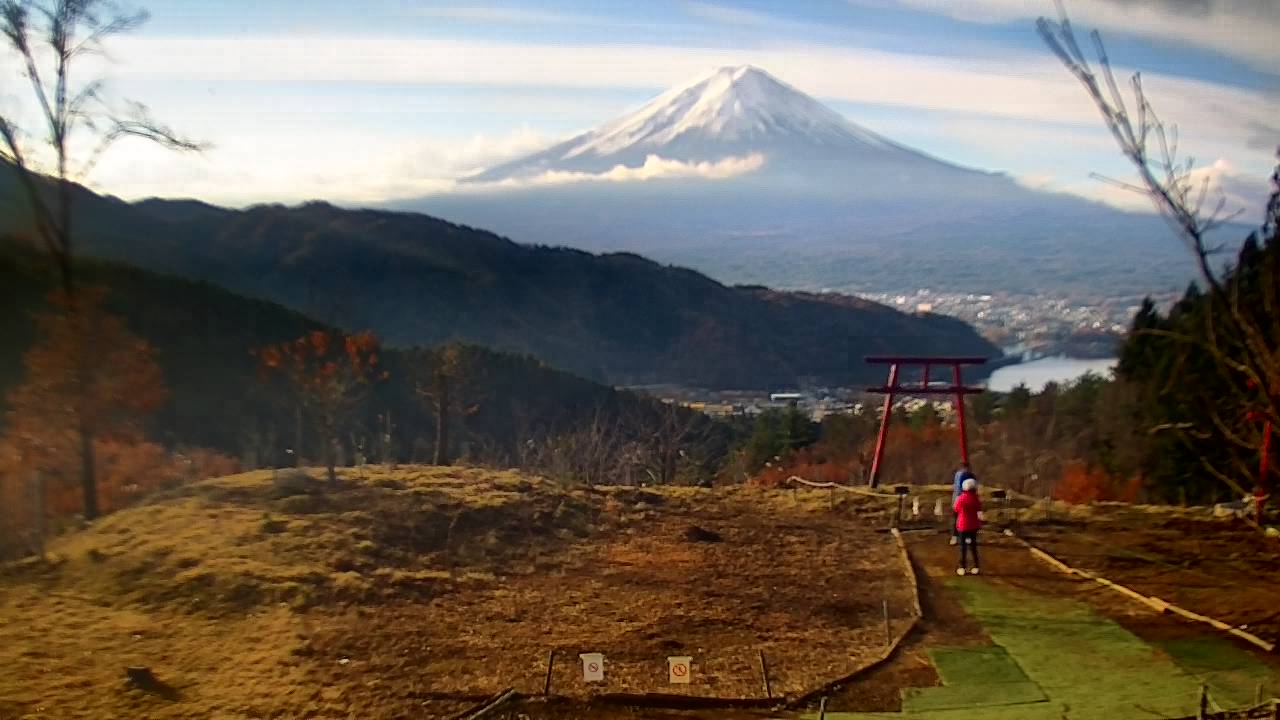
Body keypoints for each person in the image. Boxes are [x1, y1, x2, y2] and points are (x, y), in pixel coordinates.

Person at [953, 477, 982, 575]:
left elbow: (956, 509)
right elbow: (979, 508)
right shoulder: (975, 498)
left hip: (962, 525)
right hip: (973, 525)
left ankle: (962, 567)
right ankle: (976, 566)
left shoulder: (961, 498)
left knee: (963, 547)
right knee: (973, 546)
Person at [949, 463, 974, 545]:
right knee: (964, 518)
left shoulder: (959, 474)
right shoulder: (964, 475)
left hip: (959, 498)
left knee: (960, 518)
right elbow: (960, 488)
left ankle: (957, 537)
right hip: (962, 498)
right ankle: (962, 537)